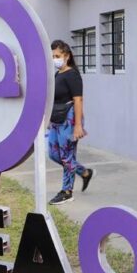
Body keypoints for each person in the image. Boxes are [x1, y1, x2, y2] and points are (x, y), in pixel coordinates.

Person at [47, 40, 95, 205]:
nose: (54, 59)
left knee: (67, 156)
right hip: (56, 118)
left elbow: (78, 100)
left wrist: (78, 126)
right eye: (52, 56)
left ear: (66, 56)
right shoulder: (57, 74)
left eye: (57, 56)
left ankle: (67, 191)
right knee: (53, 154)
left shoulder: (72, 75)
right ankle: (84, 172)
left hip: (70, 118)